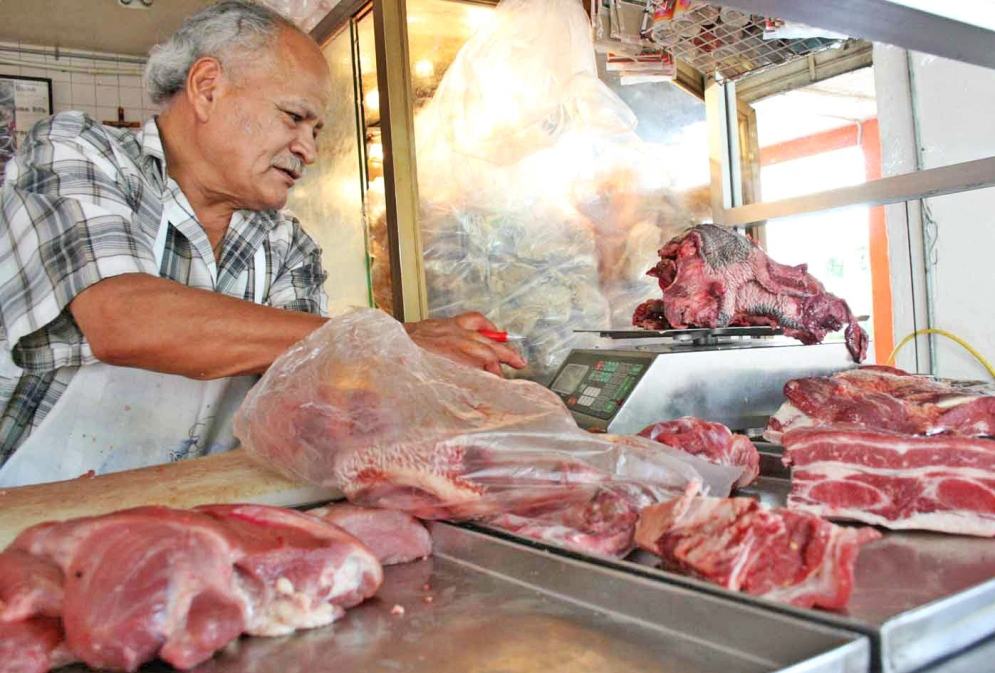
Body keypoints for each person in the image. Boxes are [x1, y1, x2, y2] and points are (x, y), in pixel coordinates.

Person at [0, 0, 525, 487]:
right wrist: (388, 338)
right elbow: (124, 319)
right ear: (207, 88)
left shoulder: (286, 243)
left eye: (317, 130)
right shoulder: (79, 153)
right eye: (294, 117)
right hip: (33, 505)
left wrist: (430, 376)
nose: (309, 150)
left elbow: (304, 398)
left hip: (197, 507)